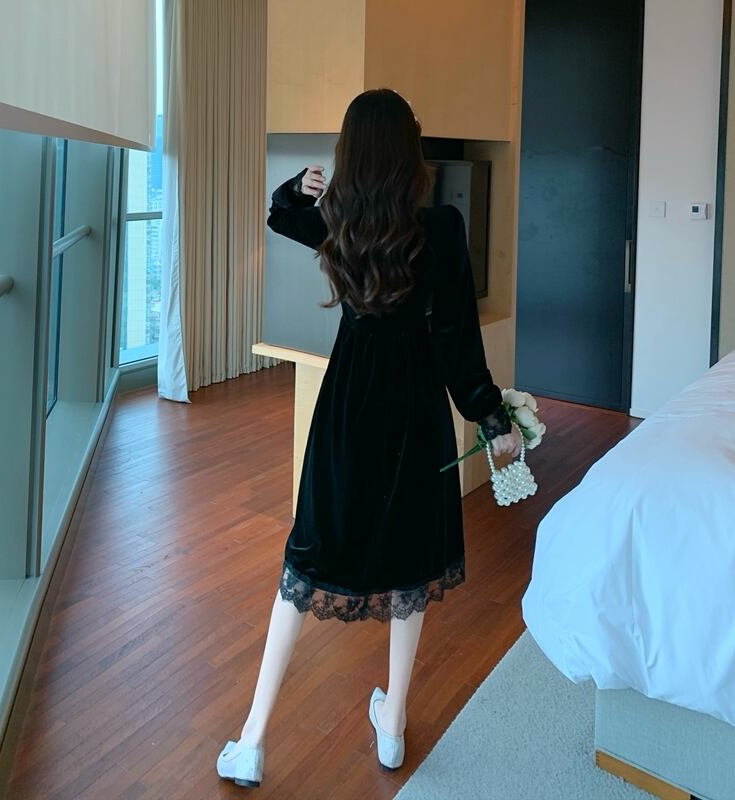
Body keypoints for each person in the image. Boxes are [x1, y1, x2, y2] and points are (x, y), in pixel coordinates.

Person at [216, 88, 522, 788]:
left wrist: (297, 185)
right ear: (410, 150)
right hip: (415, 407)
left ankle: (253, 739)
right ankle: (393, 724)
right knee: (410, 560)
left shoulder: (339, 220)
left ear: (350, 152)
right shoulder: (441, 227)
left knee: (309, 552)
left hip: (349, 402)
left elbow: (280, 213)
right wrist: (491, 417)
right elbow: (456, 341)